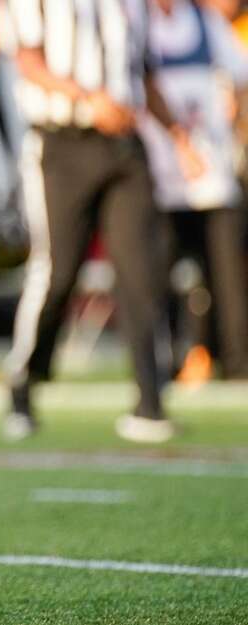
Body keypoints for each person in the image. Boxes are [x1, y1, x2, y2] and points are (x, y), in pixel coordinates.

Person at [2, 0, 205, 443]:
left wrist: (178, 138)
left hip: (126, 147)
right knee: (58, 272)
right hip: (61, 145)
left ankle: (150, 402)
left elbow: (143, 74)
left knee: (143, 272)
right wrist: (86, 98)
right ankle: (23, 383)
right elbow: (27, 61)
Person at [140, 0, 248, 382]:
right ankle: (164, 364)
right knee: (157, 275)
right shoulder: (138, 21)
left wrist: (236, 116)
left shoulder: (205, 23)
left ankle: (235, 364)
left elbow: (240, 72)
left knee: (227, 274)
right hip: (158, 175)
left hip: (212, 174)